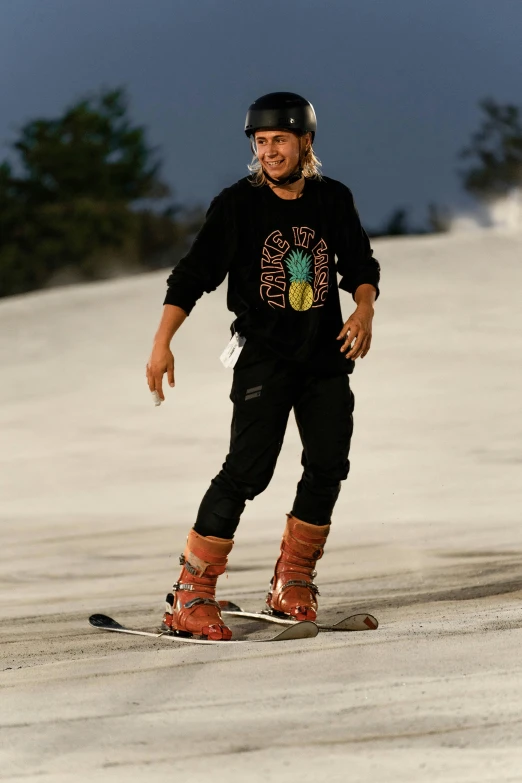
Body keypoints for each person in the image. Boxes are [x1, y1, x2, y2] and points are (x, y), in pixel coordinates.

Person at [146, 92, 380, 640]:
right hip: (262, 360)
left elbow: (360, 263)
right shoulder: (238, 205)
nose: (269, 151)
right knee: (247, 471)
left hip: (326, 358)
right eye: (261, 141)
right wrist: (162, 342)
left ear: (305, 142)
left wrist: (364, 309)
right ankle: (190, 592)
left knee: (328, 466)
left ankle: (291, 582)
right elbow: (192, 275)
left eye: (279, 140)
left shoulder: (332, 199)